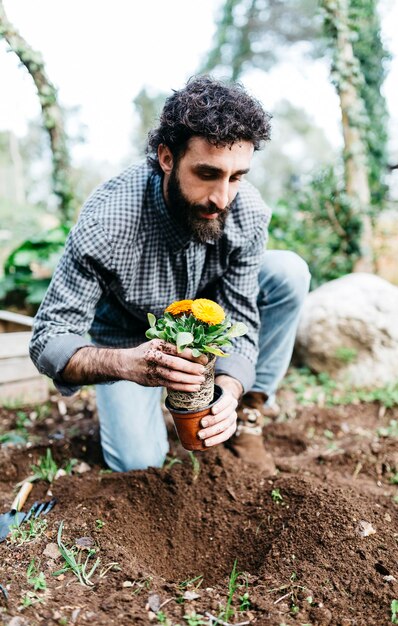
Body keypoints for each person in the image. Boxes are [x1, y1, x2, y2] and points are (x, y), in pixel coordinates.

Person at [29, 75, 310, 475]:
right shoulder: (108, 223)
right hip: (129, 338)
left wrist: (230, 388)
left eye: (236, 176)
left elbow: (242, 317)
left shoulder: (245, 211)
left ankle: (248, 412)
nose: (222, 198)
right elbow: (49, 339)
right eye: (208, 174)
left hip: (211, 320)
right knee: (137, 462)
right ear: (166, 157)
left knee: (287, 272)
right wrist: (127, 364)